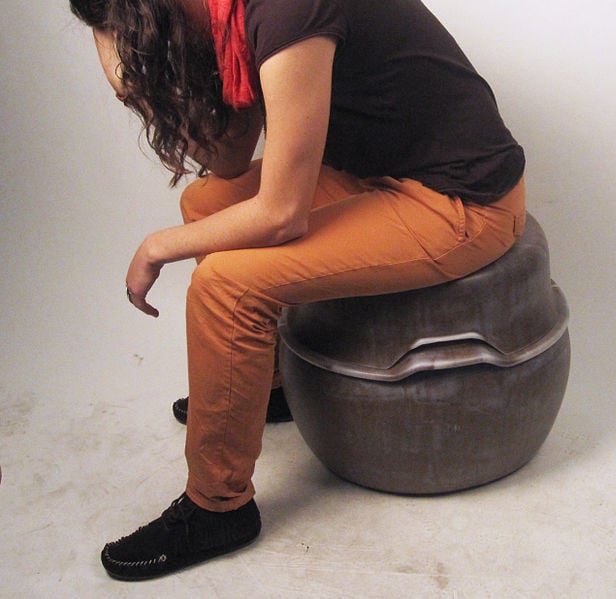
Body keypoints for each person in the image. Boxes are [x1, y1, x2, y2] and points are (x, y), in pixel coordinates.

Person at [71, 0, 527, 581]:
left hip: (460, 202)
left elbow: (282, 214)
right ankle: (270, 390)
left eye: (127, 30)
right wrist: (134, 88)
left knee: (227, 287)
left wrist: (156, 246)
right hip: (370, 174)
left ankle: (218, 507)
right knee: (207, 203)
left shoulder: (286, 10)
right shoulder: (226, 16)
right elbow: (229, 160)